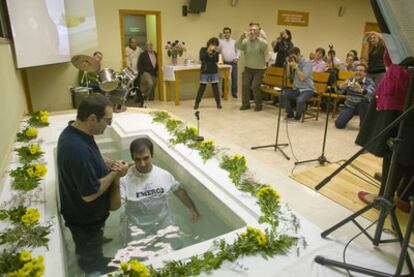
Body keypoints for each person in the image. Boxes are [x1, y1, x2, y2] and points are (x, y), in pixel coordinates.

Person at [57, 94, 129, 274]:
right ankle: (93, 262)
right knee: (89, 256)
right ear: (92, 118)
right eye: (107, 121)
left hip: (87, 216)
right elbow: (90, 194)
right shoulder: (77, 151)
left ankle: (94, 243)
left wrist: (111, 163)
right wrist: (114, 173)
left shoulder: (76, 130)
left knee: (92, 238)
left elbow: (95, 154)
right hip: (85, 218)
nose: (108, 126)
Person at [119, 138, 199, 259]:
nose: (142, 164)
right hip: (137, 224)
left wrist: (192, 209)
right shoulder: (125, 179)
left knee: (177, 248)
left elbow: (178, 190)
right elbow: (116, 204)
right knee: (136, 257)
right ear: (132, 158)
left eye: (146, 158)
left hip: (163, 220)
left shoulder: (163, 175)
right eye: (138, 159)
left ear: (152, 155)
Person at [356, 48, 414, 213]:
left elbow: (391, 59)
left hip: (400, 92)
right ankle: (404, 196)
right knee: (410, 148)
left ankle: (384, 197)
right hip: (407, 92)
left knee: (393, 148)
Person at [236, 24, 268, 111]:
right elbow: (237, 46)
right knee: (245, 85)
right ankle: (246, 104)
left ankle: (259, 104)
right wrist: (241, 38)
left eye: (254, 30)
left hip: (260, 69)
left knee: (254, 86)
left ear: (258, 32)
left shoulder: (261, 41)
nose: (252, 32)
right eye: (251, 30)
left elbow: (265, 45)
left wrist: (258, 37)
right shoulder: (246, 41)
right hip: (248, 68)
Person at [334, 64, 375, 129]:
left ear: (365, 73)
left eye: (361, 71)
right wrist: (341, 86)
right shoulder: (350, 80)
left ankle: (363, 126)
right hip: (349, 106)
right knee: (339, 125)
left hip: (362, 106)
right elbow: (338, 91)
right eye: (356, 70)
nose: (358, 72)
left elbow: (372, 94)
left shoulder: (369, 82)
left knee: (365, 104)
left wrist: (361, 90)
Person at [279, 47, 315, 121]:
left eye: (293, 56)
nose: (292, 58)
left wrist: (296, 66)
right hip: (297, 88)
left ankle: (297, 117)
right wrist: (288, 66)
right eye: (291, 57)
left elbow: (302, 77)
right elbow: (288, 76)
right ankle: (290, 114)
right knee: (282, 95)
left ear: (298, 54)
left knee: (300, 100)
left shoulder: (307, 62)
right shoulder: (293, 62)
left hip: (308, 89)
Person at [194, 37, 222, 109]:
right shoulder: (203, 49)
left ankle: (218, 104)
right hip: (205, 71)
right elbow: (202, 58)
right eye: (213, 44)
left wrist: (215, 52)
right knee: (202, 87)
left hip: (214, 71)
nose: (214, 46)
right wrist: (208, 51)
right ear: (209, 43)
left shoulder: (215, 51)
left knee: (215, 87)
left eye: (216, 45)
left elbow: (216, 60)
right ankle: (197, 103)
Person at [219, 27, 240, 98]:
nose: (226, 34)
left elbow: (238, 51)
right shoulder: (221, 42)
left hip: (233, 63)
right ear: (224, 33)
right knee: (225, 79)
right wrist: (219, 38)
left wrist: (237, 58)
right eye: (225, 32)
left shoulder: (234, 41)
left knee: (234, 78)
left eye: (228, 32)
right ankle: (224, 93)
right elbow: (217, 48)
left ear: (230, 33)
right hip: (225, 63)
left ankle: (234, 93)